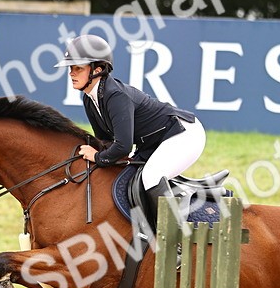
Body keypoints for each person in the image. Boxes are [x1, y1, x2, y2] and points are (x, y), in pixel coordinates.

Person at [57, 34, 205, 223]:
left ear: (98, 69)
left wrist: (97, 157)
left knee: (150, 178)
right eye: (71, 68)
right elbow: (105, 141)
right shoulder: (89, 98)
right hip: (154, 142)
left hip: (183, 135)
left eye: (78, 68)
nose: (71, 73)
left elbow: (123, 146)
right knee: (130, 178)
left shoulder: (115, 95)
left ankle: (175, 237)